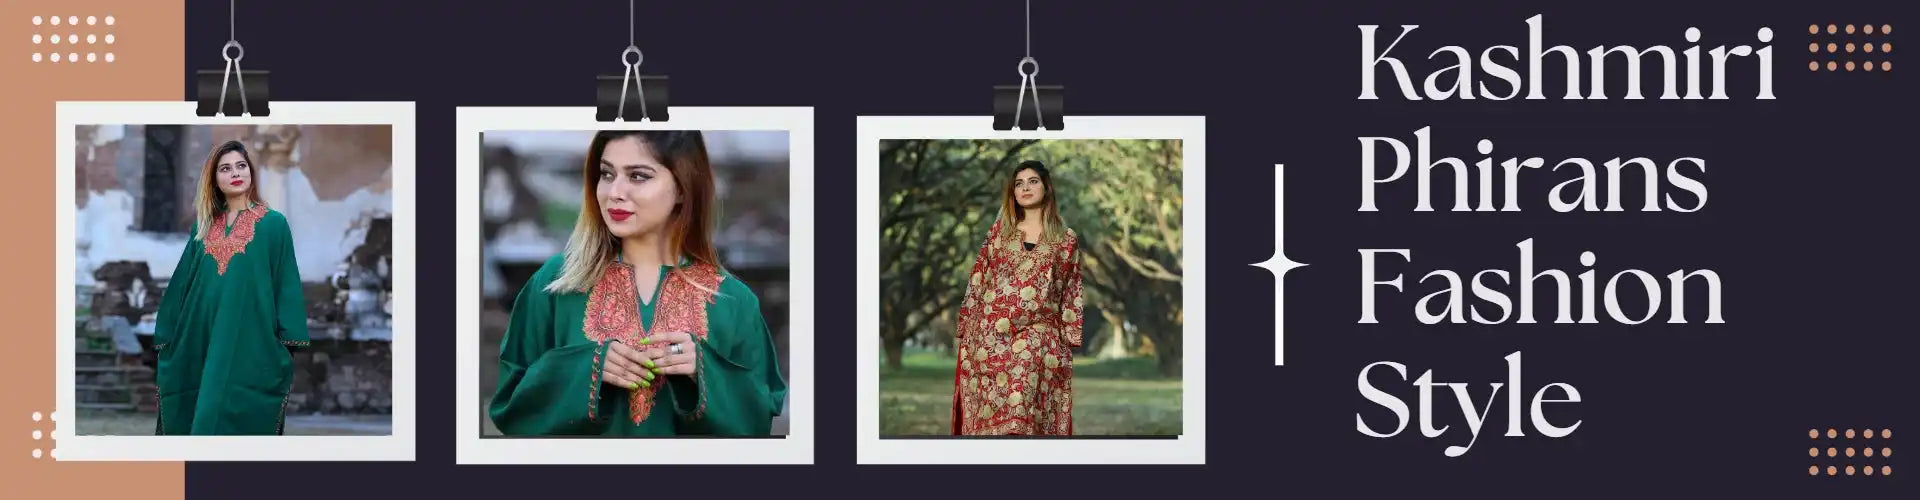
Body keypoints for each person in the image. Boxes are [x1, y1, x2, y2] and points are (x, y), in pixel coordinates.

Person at [489, 130, 786, 436]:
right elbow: (510, 408)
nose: (614, 191)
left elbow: (759, 421)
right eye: (606, 174)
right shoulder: (557, 283)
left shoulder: (732, 300)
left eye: (638, 176)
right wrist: (585, 369)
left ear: (684, 187)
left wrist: (704, 371)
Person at [153, 140, 310, 435]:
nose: (235, 173)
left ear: (251, 171)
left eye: (241, 166)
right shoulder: (203, 226)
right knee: (198, 411)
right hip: (199, 337)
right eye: (225, 169)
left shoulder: (273, 224)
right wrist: (167, 334)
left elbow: (285, 280)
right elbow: (183, 283)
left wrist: (288, 339)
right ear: (214, 179)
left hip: (249, 339)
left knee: (228, 414)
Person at [951, 160, 1085, 435]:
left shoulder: (1065, 239)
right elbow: (978, 278)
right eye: (1019, 183)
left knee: (1028, 362)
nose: (1025, 188)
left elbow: (1071, 287)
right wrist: (966, 326)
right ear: (1012, 193)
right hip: (990, 332)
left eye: (1033, 181)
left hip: (1039, 330)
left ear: (1047, 187)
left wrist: (1070, 335)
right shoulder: (999, 234)